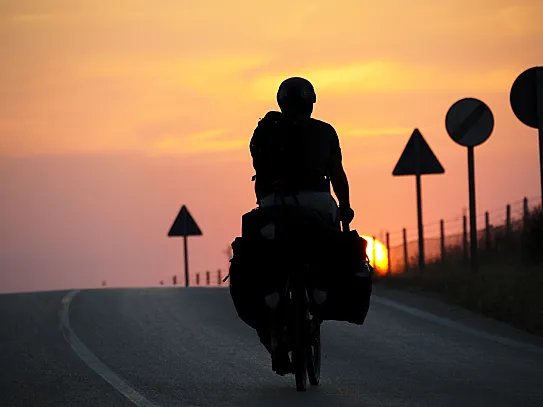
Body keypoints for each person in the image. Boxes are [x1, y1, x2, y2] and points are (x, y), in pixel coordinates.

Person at [249, 77, 355, 375]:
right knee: (330, 239)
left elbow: (257, 167)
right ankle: (319, 289)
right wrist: (345, 207)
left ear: (281, 101)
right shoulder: (325, 131)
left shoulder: (266, 129)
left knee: (266, 249)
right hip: (318, 202)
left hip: (274, 204)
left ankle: (274, 307)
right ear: (311, 102)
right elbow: (337, 175)